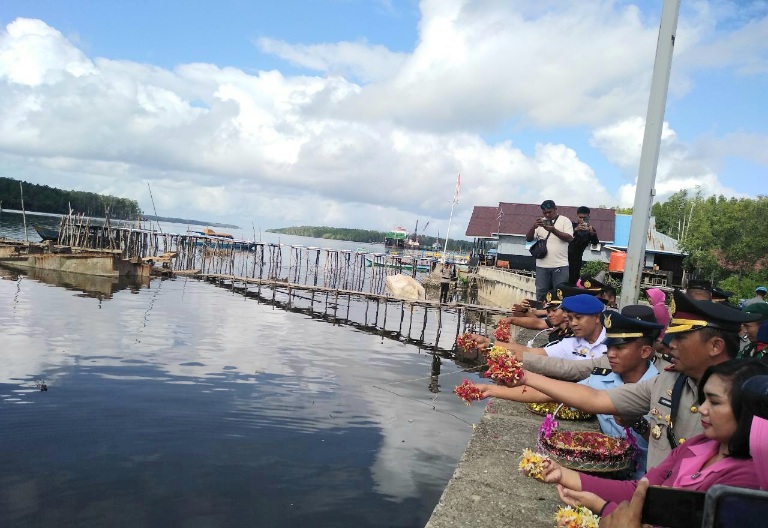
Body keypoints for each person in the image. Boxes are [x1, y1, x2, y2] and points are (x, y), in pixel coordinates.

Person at [510, 289, 763, 468]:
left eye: (681, 338)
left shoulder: (751, 400)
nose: (671, 345)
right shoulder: (669, 381)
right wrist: (524, 376)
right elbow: (596, 397)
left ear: (715, 346)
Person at [531, 360, 768, 517]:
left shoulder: (747, 478)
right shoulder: (699, 445)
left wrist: (601, 508)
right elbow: (640, 490)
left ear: (747, 410)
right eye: (703, 399)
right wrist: (562, 474)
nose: (703, 409)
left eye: (714, 402)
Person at [474, 310, 662, 478]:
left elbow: (670, 447)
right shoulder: (603, 378)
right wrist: (491, 390)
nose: (610, 354)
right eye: (609, 347)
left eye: (619, 348)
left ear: (645, 351)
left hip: (644, 480)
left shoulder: (660, 389)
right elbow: (553, 393)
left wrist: (638, 423)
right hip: (604, 471)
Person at [505, 294, 606, 361]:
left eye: (578, 318)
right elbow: (533, 353)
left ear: (597, 317)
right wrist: (493, 344)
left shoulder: (612, 346)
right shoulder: (571, 343)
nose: (573, 323)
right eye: (570, 319)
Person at [526, 200, 574, 301]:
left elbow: (569, 238)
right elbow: (529, 239)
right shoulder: (540, 223)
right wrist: (533, 227)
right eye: (545, 213)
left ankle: (559, 315)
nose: (547, 215)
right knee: (541, 293)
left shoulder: (565, 221)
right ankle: (540, 314)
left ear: (555, 209)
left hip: (560, 265)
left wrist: (553, 230)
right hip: (542, 266)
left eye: (550, 212)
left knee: (560, 293)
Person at [568, 206, 600, 286]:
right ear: (577, 216)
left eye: (584, 218)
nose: (582, 220)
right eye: (580, 217)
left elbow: (595, 243)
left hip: (577, 260)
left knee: (573, 283)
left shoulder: (590, 229)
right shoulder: (570, 226)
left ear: (588, 218)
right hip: (564, 258)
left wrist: (592, 234)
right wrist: (575, 230)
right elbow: (565, 237)